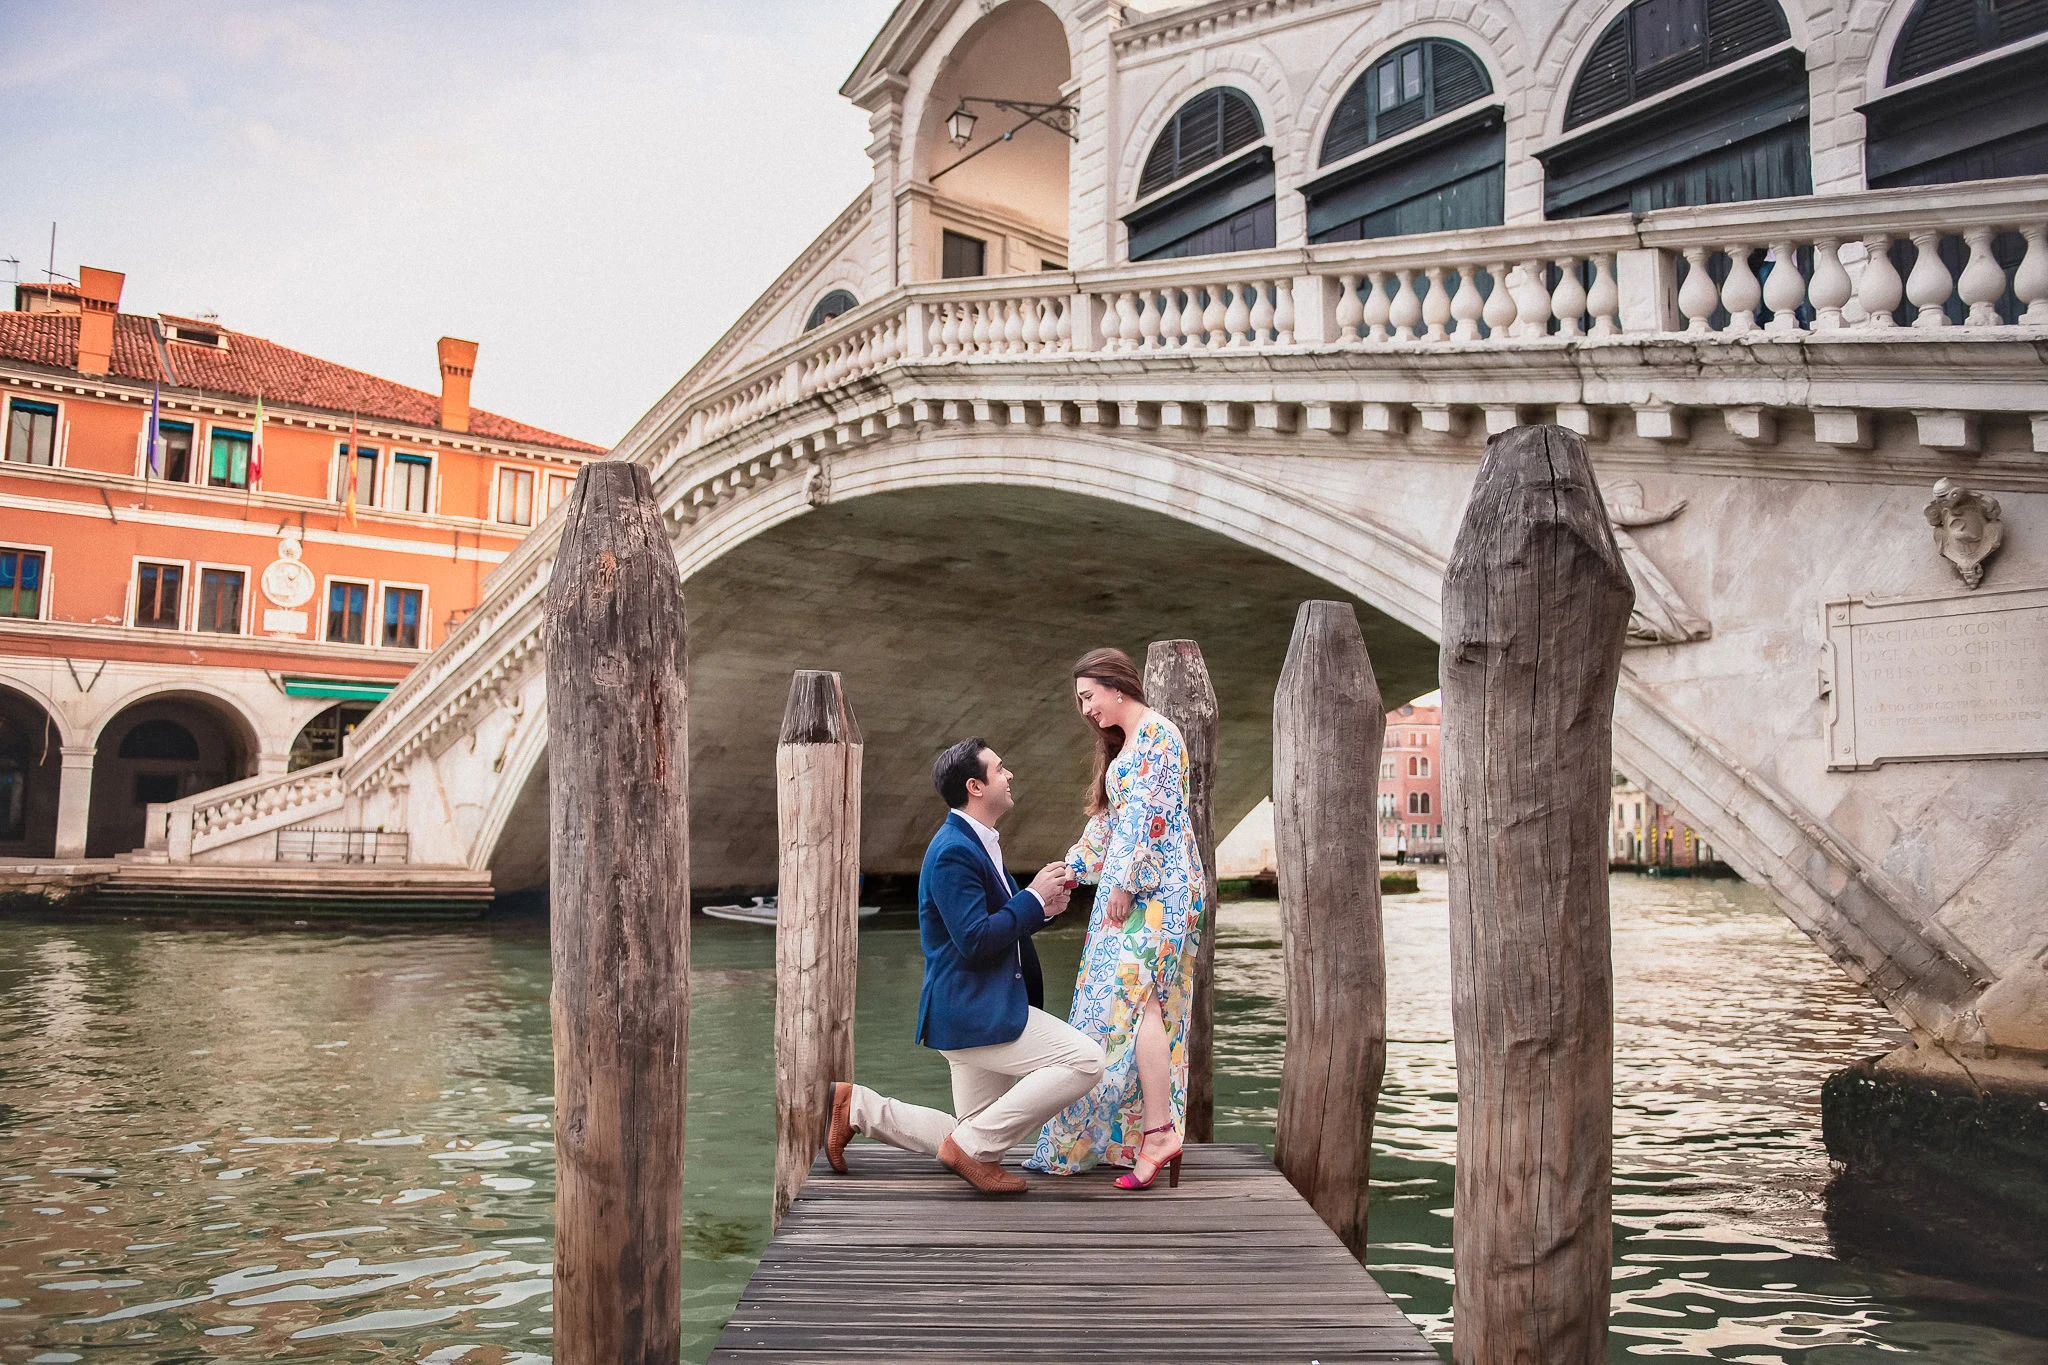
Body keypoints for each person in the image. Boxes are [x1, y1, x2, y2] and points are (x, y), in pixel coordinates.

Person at [824, 737, 1105, 1194]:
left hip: (977, 1005)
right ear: (975, 786)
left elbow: (991, 928)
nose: (1009, 775)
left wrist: (1043, 908)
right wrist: (1031, 898)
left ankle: (858, 1108)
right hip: (973, 1010)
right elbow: (974, 940)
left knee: (973, 1128)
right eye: (1000, 770)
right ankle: (969, 1150)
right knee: (1087, 1060)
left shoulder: (979, 841)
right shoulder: (954, 850)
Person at [1029, 648, 1205, 1191]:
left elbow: (1151, 816)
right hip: (1133, 889)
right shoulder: (1126, 747)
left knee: (1134, 997)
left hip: (1159, 891)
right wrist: (1069, 870)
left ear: (1116, 685)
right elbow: (1109, 826)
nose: (1084, 708)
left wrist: (1126, 883)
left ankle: (1156, 1133)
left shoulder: (1159, 736)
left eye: (1088, 695)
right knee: (1131, 1002)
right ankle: (1134, 1137)